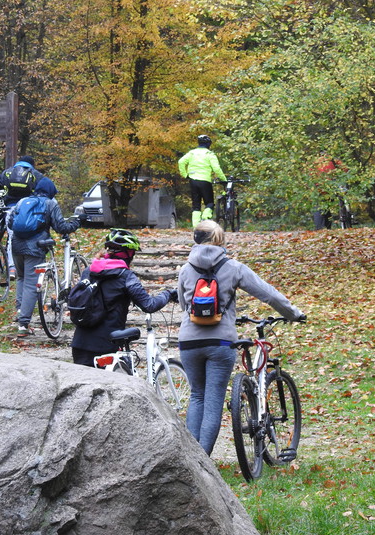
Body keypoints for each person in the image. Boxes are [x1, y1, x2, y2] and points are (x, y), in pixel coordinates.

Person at [177, 220, 305, 455]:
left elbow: (185, 304)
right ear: (220, 240)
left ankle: (189, 460)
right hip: (221, 342)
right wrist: (293, 314)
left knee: (197, 396)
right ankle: (202, 462)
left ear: (196, 240)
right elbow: (268, 295)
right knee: (213, 401)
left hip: (189, 341)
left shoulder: (186, 269)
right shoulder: (233, 267)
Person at [71, 229, 177, 367]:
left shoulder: (89, 270)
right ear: (129, 254)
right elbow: (148, 305)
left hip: (80, 343)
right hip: (107, 345)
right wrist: (167, 294)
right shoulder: (126, 276)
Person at [7, 178, 79, 337]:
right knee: (32, 285)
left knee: (21, 278)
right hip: (36, 247)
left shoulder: (22, 201)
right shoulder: (50, 203)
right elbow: (61, 227)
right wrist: (76, 222)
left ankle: (20, 312)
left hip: (17, 245)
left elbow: (11, 223)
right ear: (51, 192)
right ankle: (23, 324)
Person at [0, 155, 50, 275]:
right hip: (28, 209)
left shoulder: (8, 173)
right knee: (29, 234)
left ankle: (12, 268)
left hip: (10, 207)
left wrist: (0, 195)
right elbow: (47, 189)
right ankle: (25, 263)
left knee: (11, 235)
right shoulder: (35, 174)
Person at [178, 135, 227, 228]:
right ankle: (206, 217)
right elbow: (216, 168)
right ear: (209, 144)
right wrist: (224, 179)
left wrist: (185, 174)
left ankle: (196, 227)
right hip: (205, 181)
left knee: (196, 204)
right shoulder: (209, 154)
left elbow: (181, 162)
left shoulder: (192, 153)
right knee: (209, 202)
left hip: (193, 180)